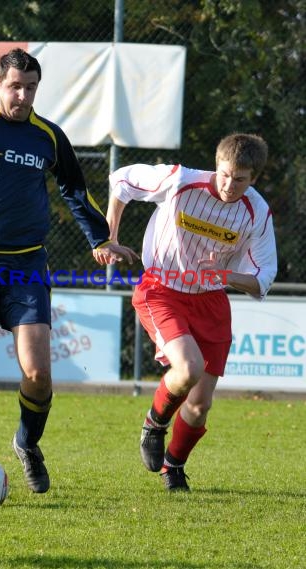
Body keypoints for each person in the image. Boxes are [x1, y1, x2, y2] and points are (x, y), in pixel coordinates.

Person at [0, 47, 137, 494]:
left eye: (31, 87)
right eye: (15, 86)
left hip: (25, 265)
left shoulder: (48, 137)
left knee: (38, 373)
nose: (22, 96)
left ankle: (26, 442)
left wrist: (100, 238)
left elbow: (75, 189)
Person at [107, 133, 277, 492]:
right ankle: (154, 424)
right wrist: (109, 237)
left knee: (200, 405)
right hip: (162, 290)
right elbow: (121, 180)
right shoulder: (180, 180)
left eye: (241, 179)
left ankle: (174, 466)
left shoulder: (257, 211)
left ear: (255, 179)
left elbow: (263, 277)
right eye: (225, 174)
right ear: (217, 165)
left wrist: (226, 275)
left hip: (211, 301)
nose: (230, 185)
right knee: (188, 368)